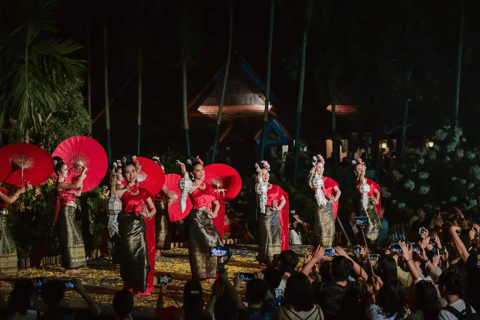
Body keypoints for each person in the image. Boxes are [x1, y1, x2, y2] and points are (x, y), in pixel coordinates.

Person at [110, 155, 156, 294]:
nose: (131, 174)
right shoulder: (122, 192)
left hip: (140, 227)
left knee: (141, 259)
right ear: (124, 175)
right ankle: (128, 288)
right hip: (126, 227)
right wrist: (113, 178)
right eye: (128, 172)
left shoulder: (143, 192)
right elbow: (112, 195)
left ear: (137, 173)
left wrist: (149, 214)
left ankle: (139, 288)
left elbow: (153, 208)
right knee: (128, 258)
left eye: (133, 171)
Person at [177, 156, 224, 281]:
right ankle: (201, 275)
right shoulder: (190, 186)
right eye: (198, 170)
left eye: (202, 170)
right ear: (192, 173)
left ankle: (212, 273)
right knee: (199, 247)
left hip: (208, 219)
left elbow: (217, 203)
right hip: (196, 218)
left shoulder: (208, 186)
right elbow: (183, 184)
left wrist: (214, 213)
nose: (202, 172)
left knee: (215, 243)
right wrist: (183, 170)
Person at [311, 247, 368, 320]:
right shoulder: (354, 288)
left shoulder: (323, 288)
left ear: (331, 271)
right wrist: (346, 257)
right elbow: (364, 275)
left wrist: (315, 259)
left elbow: (302, 277)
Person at [53, 156, 87, 274]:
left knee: (74, 236)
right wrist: (82, 173)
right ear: (58, 172)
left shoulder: (66, 183)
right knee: (68, 237)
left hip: (71, 211)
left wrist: (81, 184)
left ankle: (72, 265)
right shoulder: (60, 184)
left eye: (67, 169)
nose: (67, 171)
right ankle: (68, 267)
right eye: (65, 169)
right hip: (66, 211)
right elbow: (75, 186)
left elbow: (77, 193)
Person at [255, 160, 289, 265]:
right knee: (266, 235)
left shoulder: (276, 187)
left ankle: (275, 259)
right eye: (264, 174)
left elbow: (284, 198)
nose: (266, 176)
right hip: (265, 213)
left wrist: (279, 207)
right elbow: (258, 188)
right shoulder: (260, 186)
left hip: (274, 214)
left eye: (267, 174)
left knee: (275, 235)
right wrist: (259, 174)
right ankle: (265, 259)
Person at [307, 155, 341, 249]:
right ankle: (320, 249)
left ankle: (328, 248)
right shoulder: (314, 180)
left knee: (329, 229)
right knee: (320, 228)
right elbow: (309, 180)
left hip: (329, 206)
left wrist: (335, 197)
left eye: (322, 167)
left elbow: (338, 191)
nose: (321, 169)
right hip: (320, 207)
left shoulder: (328, 180)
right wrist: (313, 166)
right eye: (319, 167)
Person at [0, 183, 29, 286]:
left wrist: (22, 188)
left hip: (3, 221)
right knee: (2, 246)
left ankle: (4, 275)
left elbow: (10, 198)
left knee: (6, 246)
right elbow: (9, 200)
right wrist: (19, 191)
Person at [152, 156, 177, 257]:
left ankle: (156, 250)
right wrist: (173, 196)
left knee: (160, 228)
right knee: (160, 228)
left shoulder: (157, 180)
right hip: (159, 205)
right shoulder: (158, 180)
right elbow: (167, 193)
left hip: (160, 204)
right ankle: (156, 250)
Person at [353, 158, 381, 243]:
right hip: (365, 202)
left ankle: (373, 241)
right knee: (370, 223)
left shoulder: (369, 180)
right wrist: (362, 168)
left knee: (376, 223)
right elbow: (362, 182)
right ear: (355, 172)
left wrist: (376, 199)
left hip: (372, 203)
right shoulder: (358, 181)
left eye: (361, 168)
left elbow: (376, 191)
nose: (361, 170)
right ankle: (368, 240)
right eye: (358, 169)